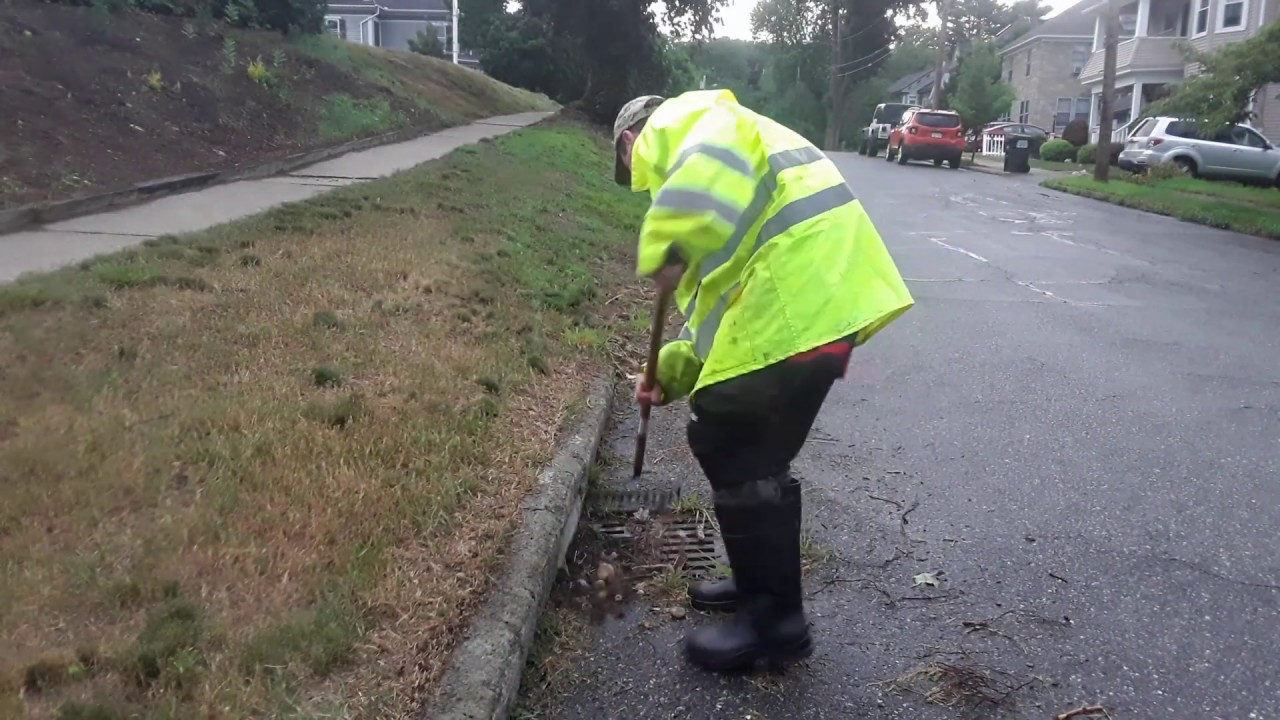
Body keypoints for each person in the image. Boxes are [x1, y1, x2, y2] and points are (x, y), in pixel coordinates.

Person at [612, 89, 914, 673]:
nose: (645, 189)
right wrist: (664, 376)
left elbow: (706, 166)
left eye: (635, 176)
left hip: (803, 296)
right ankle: (760, 589)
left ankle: (773, 623)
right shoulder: (718, 187)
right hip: (820, 299)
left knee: (729, 437)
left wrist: (664, 237)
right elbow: (712, 320)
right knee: (753, 447)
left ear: (630, 142)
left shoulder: (683, 121)